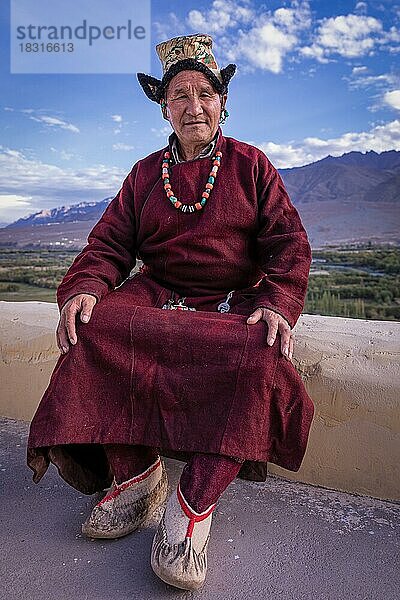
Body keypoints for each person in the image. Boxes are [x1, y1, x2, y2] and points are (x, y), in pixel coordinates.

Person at [27, 33, 315, 591]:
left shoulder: (251, 166)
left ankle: (192, 506)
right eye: (180, 95)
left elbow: (289, 244)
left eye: (204, 93)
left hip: (232, 300)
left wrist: (278, 301)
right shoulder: (144, 174)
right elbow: (109, 243)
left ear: (222, 102)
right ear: (164, 107)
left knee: (259, 360)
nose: (193, 106)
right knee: (92, 327)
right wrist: (87, 283)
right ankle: (137, 476)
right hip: (157, 295)